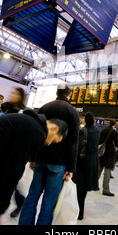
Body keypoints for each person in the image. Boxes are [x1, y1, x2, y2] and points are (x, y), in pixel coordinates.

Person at [19, 82, 80, 225]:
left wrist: (32, 157)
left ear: (57, 92)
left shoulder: (45, 107)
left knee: (32, 196)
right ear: (69, 94)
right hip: (58, 163)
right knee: (48, 202)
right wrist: (71, 168)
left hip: (40, 158)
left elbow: (36, 133)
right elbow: (73, 142)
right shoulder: (72, 111)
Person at [72, 112, 100, 220]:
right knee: (84, 190)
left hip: (82, 162)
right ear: (93, 120)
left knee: (79, 187)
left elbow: (78, 148)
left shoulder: (83, 131)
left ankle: (79, 212)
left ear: (85, 120)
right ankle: (80, 211)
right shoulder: (98, 131)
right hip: (93, 161)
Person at [98, 120, 118, 196]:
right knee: (107, 171)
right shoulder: (114, 132)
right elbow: (116, 144)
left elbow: (99, 140)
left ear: (109, 123)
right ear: (114, 124)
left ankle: (95, 185)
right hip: (110, 154)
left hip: (102, 152)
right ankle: (105, 189)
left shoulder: (103, 130)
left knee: (99, 169)